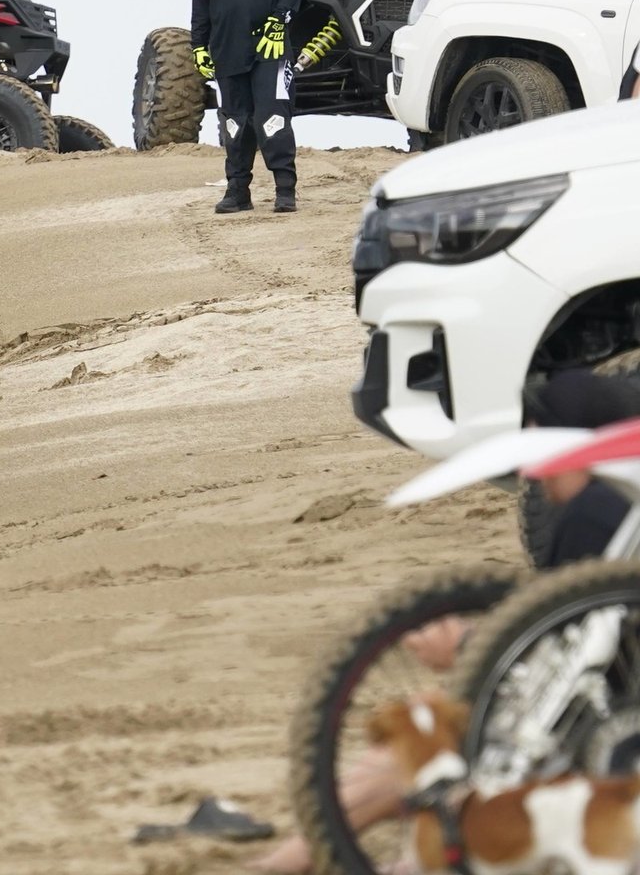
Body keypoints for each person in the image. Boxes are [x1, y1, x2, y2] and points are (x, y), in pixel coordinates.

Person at [249, 368, 640, 873]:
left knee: (408, 758)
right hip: (597, 744)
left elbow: (578, 650)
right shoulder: (614, 515)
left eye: (536, 434)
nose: (530, 467)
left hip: (597, 755)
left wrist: (470, 645)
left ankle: (283, 865)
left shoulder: (592, 513)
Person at [191, 0, 304, 214]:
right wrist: (198, 46)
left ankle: (286, 190)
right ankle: (237, 192)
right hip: (227, 51)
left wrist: (279, 22)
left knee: (272, 118)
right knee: (234, 124)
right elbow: (200, 5)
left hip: (269, 49)